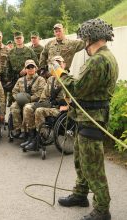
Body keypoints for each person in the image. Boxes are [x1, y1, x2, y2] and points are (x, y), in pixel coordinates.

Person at [51, 18, 118, 220]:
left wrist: (60, 73)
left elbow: (79, 88)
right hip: (86, 117)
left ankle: (102, 209)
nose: (84, 44)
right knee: (81, 158)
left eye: (85, 39)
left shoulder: (99, 60)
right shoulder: (105, 57)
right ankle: (81, 194)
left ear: (91, 38)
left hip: (92, 119)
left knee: (92, 165)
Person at [21, 56, 68, 150]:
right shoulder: (51, 79)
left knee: (39, 110)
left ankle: (41, 138)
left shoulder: (68, 79)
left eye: (59, 63)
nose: (57, 66)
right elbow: (44, 95)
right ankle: (32, 136)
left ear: (64, 65)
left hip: (61, 109)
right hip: (50, 105)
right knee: (28, 107)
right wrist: (42, 103)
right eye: (55, 64)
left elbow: (73, 97)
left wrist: (67, 106)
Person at [10, 59, 46, 139]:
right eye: (28, 67)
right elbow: (14, 91)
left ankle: (24, 131)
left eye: (32, 67)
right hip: (21, 99)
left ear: (35, 68)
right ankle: (18, 129)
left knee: (26, 107)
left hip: (34, 101)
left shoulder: (41, 80)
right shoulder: (20, 80)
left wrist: (29, 99)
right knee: (13, 107)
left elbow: (41, 93)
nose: (30, 69)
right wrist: (18, 99)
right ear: (25, 69)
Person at [5, 31, 38, 106]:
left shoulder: (29, 51)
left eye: (20, 38)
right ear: (14, 40)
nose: (18, 40)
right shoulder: (11, 52)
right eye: (17, 38)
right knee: (14, 103)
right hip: (15, 80)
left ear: (23, 39)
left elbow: (36, 65)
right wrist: (8, 80)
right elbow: (8, 68)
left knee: (27, 101)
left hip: (28, 79)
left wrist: (27, 70)